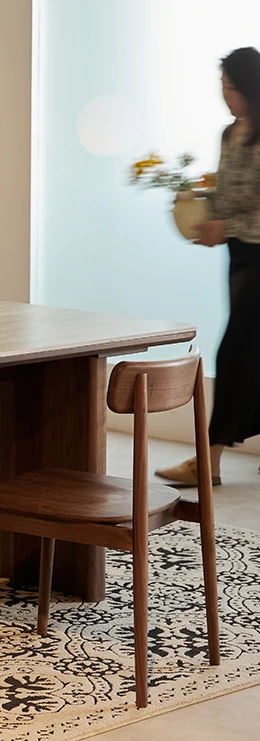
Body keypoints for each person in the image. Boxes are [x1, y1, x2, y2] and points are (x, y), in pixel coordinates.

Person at [156, 47, 260, 486]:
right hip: (239, 256)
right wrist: (196, 206)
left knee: (234, 353)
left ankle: (208, 460)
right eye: (222, 88)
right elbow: (225, 197)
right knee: (251, 354)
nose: (225, 97)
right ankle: (210, 459)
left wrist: (228, 224)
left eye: (231, 88)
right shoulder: (228, 134)